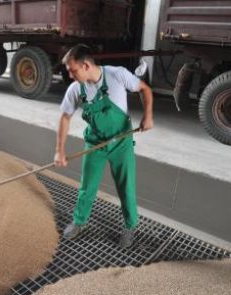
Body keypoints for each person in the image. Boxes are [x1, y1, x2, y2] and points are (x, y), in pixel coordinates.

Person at [54, 44, 154, 248]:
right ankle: (79, 222)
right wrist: (59, 150)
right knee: (87, 186)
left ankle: (130, 225)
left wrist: (148, 116)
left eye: (73, 71)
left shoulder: (117, 75)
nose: (71, 76)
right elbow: (65, 117)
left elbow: (144, 89)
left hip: (121, 142)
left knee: (126, 187)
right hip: (95, 143)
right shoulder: (76, 89)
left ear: (86, 65)